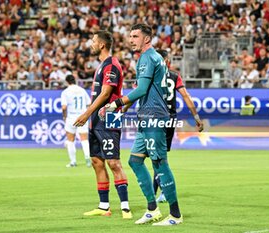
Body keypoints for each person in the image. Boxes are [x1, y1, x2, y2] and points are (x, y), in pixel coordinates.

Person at [100, 23, 183, 226]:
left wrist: (116, 104)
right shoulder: (154, 57)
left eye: (135, 36)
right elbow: (143, 89)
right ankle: (152, 209)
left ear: (146, 38)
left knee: (159, 163)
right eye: (130, 36)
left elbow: (142, 89)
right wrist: (124, 107)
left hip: (155, 116)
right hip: (147, 116)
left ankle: (175, 215)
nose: (131, 40)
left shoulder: (147, 57)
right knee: (135, 161)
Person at [73, 31, 132, 219]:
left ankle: (125, 208)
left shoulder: (112, 64)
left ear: (101, 45)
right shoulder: (101, 65)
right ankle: (103, 206)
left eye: (93, 41)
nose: (91, 44)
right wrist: (90, 117)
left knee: (114, 162)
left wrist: (86, 113)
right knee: (97, 161)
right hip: (96, 120)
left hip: (110, 117)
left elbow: (107, 93)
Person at [153, 49, 204, 203]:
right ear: (167, 61)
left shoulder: (151, 75)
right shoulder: (174, 76)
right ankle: (160, 192)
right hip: (170, 119)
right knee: (161, 157)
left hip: (154, 118)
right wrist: (196, 117)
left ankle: (158, 193)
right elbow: (186, 96)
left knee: (155, 158)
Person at [61, 75, 91, 168]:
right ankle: (88, 159)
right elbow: (89, 103)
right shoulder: (82, 90)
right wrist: (86, 114)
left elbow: (64, 107)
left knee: (70, 140)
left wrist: (64, 116)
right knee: (84, 139)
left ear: (67, 82)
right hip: (82, 116)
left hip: (71, 118)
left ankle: (73, 161)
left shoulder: (65, 92)